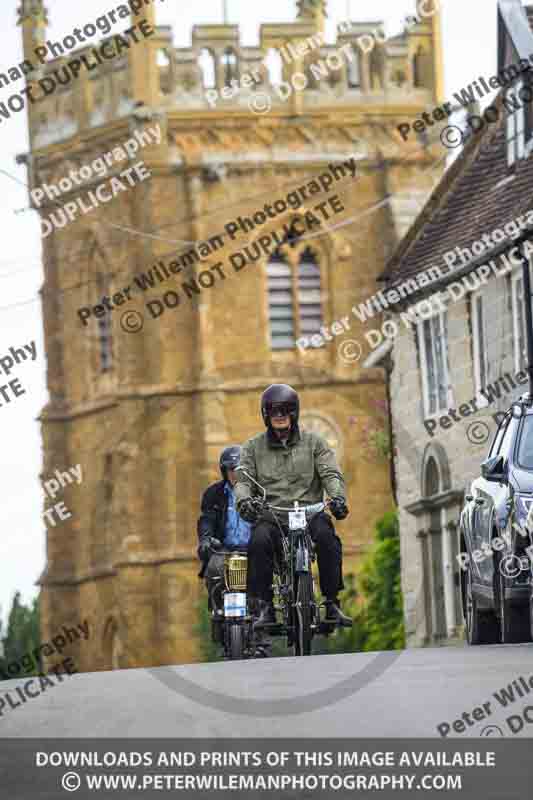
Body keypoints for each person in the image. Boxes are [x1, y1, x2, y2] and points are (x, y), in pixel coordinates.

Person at [235, 383, 352, 629]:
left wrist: (338, 498)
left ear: (294, 412)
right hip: (273, 515)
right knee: (257, 541)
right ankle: (265, 607)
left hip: (310, 513)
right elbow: (243, 481)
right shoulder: (252, 448)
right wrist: (244, 501)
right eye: (273, 411)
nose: (279, 416)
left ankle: (332, 602)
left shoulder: (315, 444)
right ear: (265, 415)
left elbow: (331, 474)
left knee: (328, 539)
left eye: (285, 410)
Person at [197, 446, 252, 614]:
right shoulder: (213, 493)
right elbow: (207, 519)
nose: (235, 473)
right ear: (224, 471)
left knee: (262, 582)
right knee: (213, 570)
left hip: (254, 550)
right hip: (224, 550)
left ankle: (261, 617)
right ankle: (217, 609)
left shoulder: (258, 491)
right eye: (231, 469)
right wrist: (206, 538)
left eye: (239, 469)